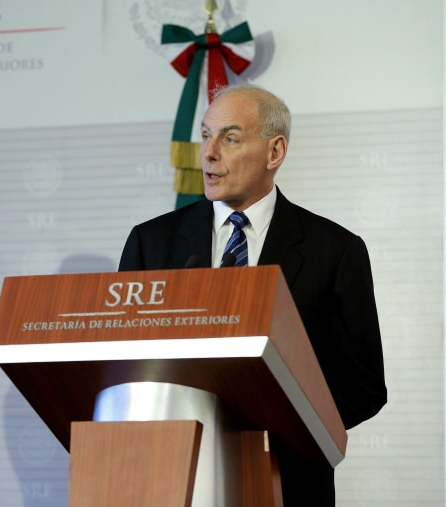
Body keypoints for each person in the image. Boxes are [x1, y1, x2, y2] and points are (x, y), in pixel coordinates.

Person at [118, 84, 386, 505]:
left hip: (288, 481)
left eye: (230, 138)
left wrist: (273, 420)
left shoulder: (334, 250)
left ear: (274, 152)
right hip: (169, 478)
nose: (208, 153)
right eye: (205, 135)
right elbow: (123, 364)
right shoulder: (151, 243)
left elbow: (363, 386)